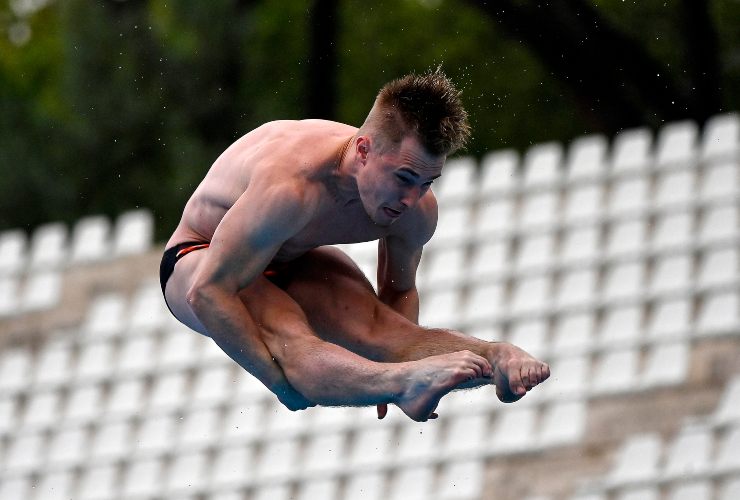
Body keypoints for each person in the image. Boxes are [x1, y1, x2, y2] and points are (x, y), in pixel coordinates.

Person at [160, 68, 550, 422]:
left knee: (383, 332)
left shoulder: (417, 211)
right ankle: (401, 384)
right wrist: (280, 384)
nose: (411, 199)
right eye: (404, 177)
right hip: (202, 258)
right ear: (363, 150)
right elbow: (207, 293)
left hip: (294, 255)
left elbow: (398, 291)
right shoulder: (289, 188)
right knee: (290, 339)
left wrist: (393, 363)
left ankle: (497, 357)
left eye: (427, 182)